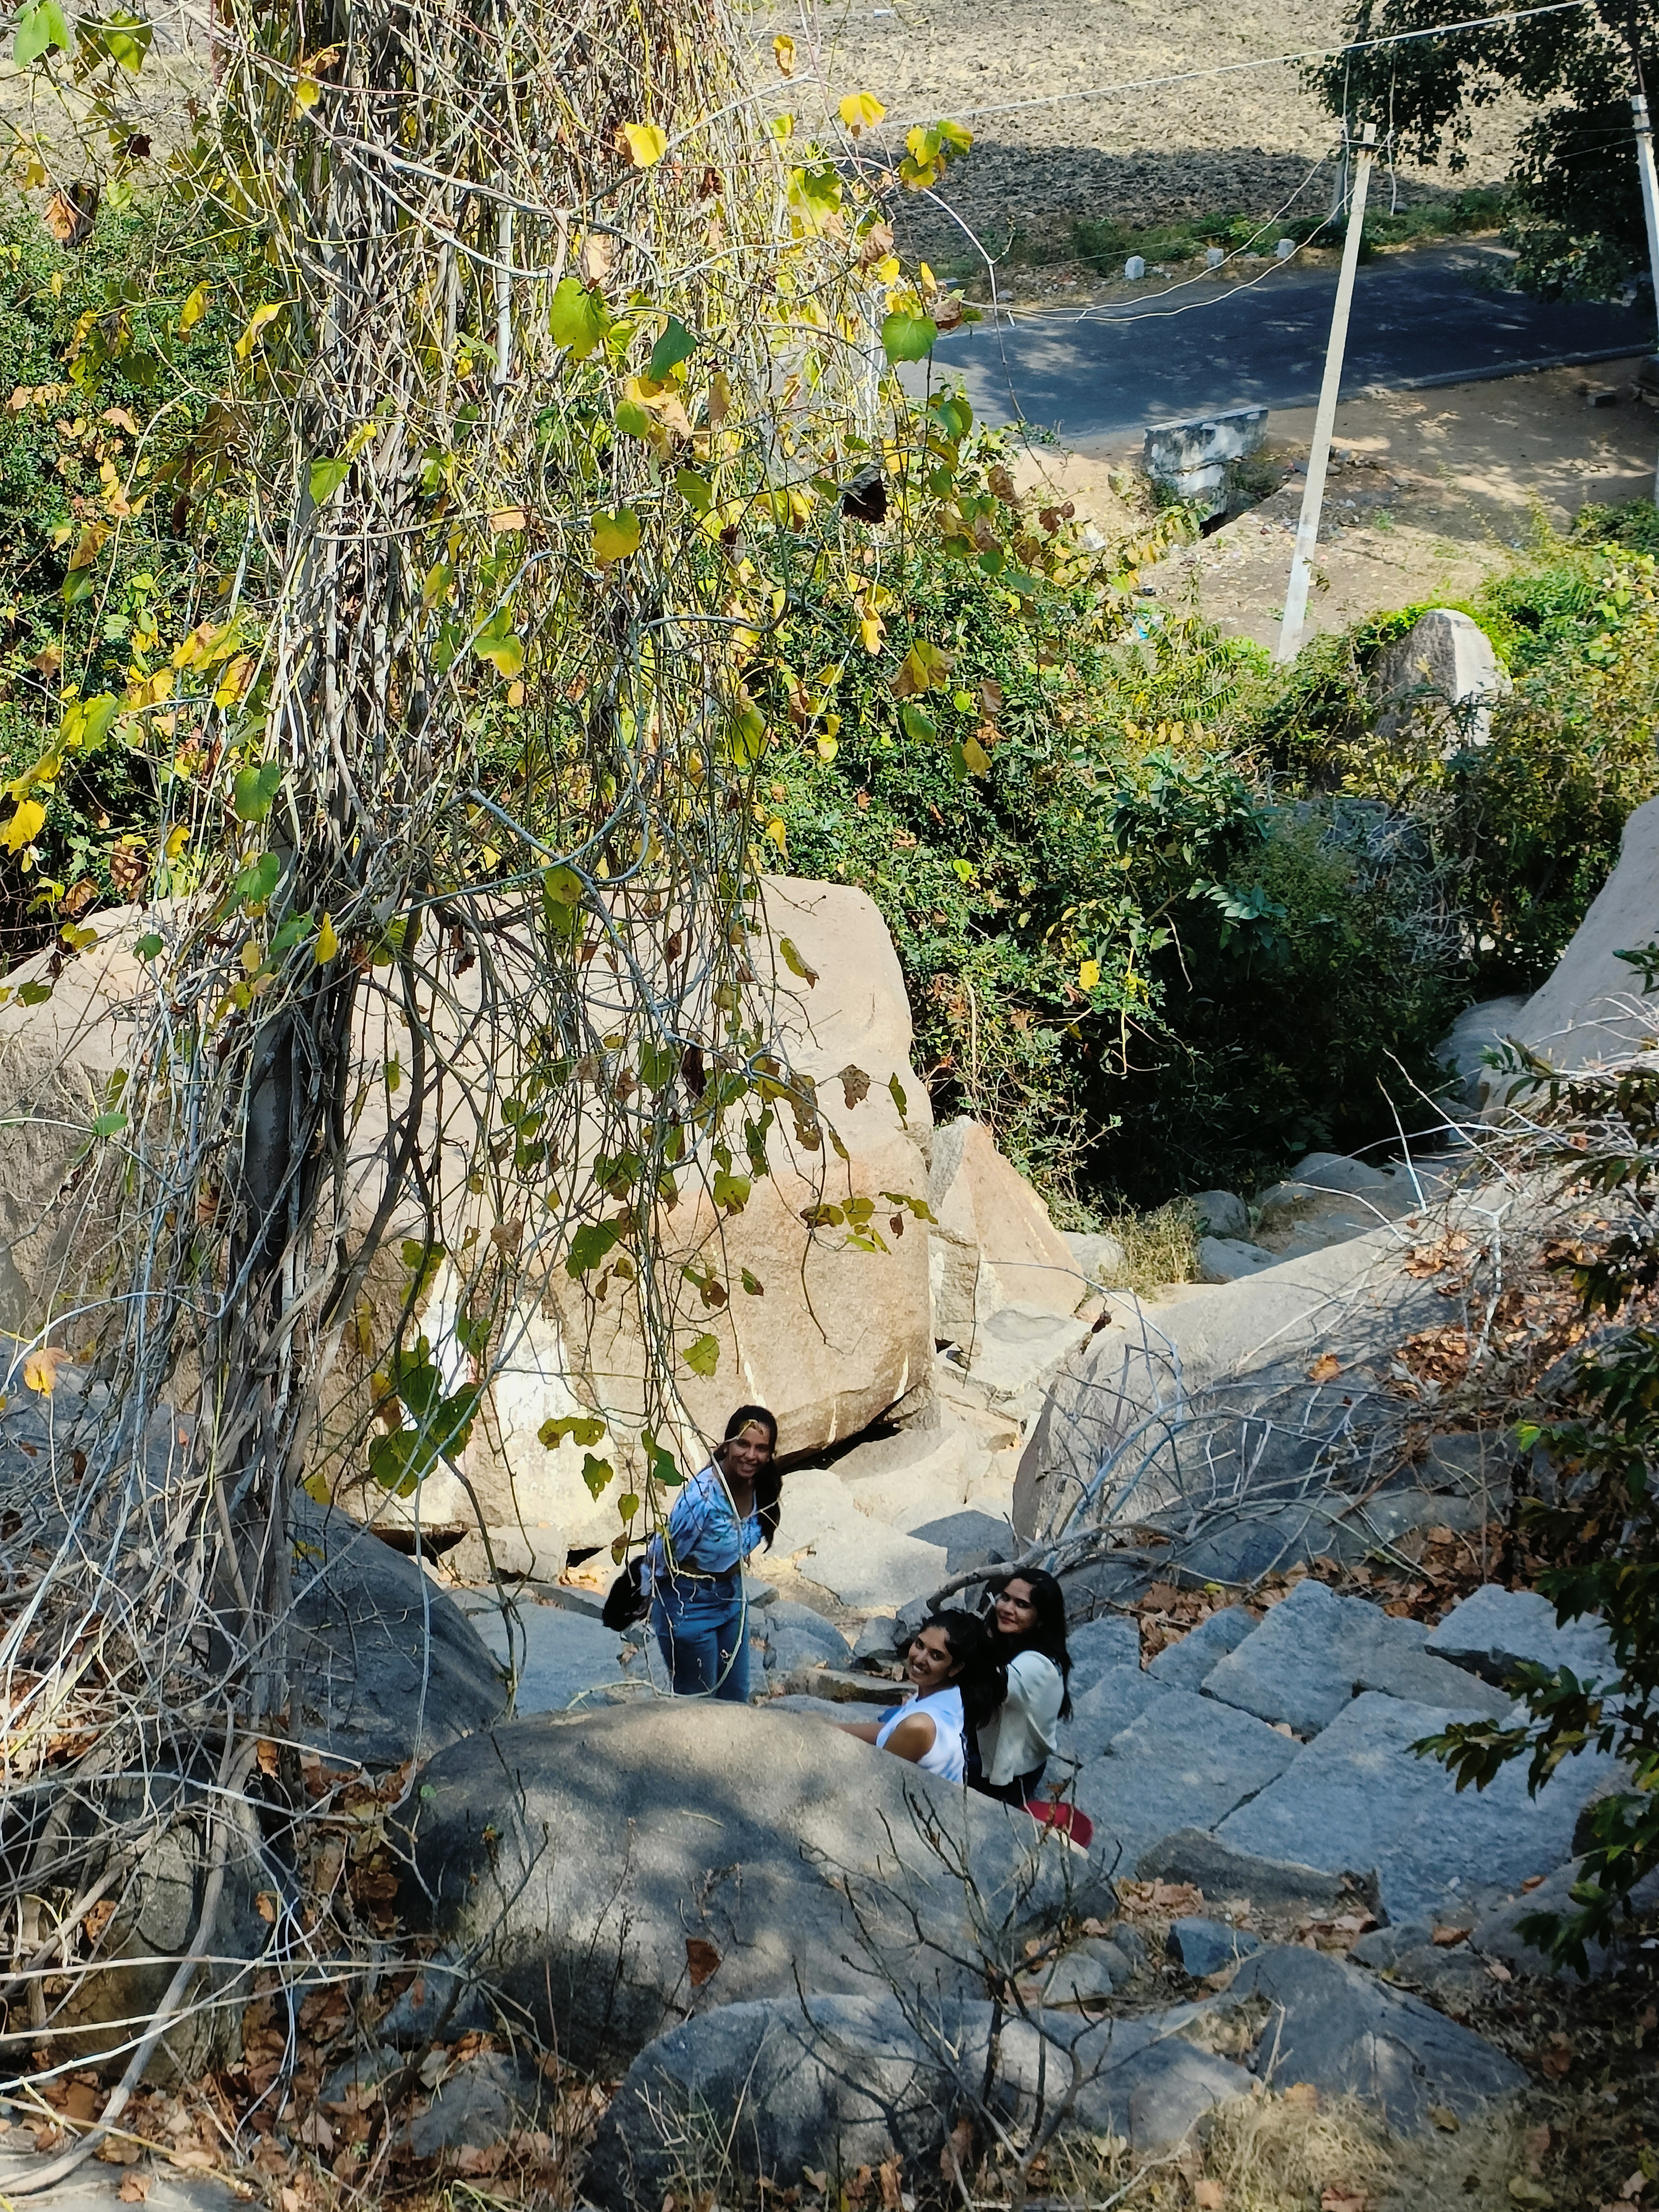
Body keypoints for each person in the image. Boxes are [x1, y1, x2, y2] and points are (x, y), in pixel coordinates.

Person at [649, 1405, 780, 1701]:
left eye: (761, 1448)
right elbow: (663, 1555)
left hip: (733, 1599)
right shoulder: (701, 1499)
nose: (751, 1455)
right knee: (698, 1705)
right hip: (689, 1606)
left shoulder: (764, 1485)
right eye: (743, 1444)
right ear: (727, 1445)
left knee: (735, 1699)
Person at [838, 1610, 1003, 1783]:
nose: (920, 1658)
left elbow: (876, 1781)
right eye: (920, 1645)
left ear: (956, 1668)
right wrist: (832, 1728)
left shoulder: (921, 1726)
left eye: (936, 1656)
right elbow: (890, 1731)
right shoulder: (946, 1694)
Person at [968, 1569, 1073, 1804]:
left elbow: (987, 1686)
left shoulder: (1037, 1666)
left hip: (1008, 1777)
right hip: (994, 1751)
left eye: (1021, 1605)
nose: (1006, 1608)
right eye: (1005, 1598)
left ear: (1042, 1618)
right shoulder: (1011, 1643)